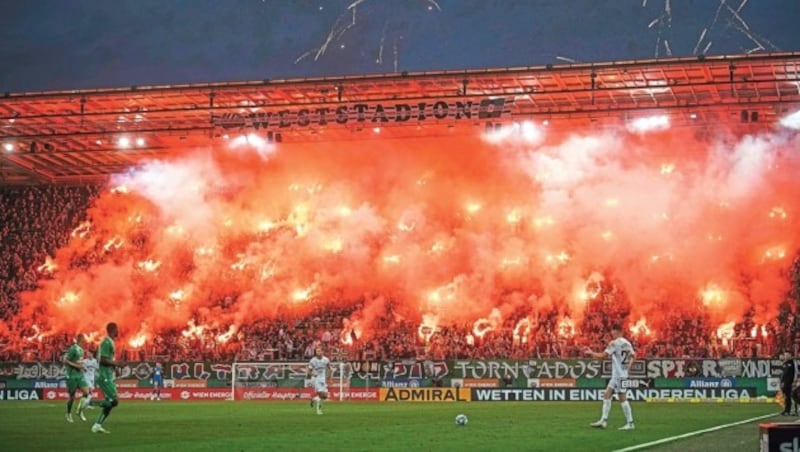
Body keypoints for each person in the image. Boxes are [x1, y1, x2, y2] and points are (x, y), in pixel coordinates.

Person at [584, 324, 635, 430]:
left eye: (614, 332)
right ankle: (603, 420)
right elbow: (634, 356)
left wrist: (591, 353)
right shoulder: (627, 343)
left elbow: (603, 356)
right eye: (612, 332)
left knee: (622, 397)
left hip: (619, 375)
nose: (613, 334)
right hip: (620, 374)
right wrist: (628, 368)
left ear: (619, 332)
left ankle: (630, 423)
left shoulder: (614, 343)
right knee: (607, 394)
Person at [90, 322, 120, 434]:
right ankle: (89, 403)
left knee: (110, 402)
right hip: (104, 375)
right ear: (113, 330)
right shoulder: (106, 342)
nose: (119, 331)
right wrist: (116, 364)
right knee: (114, 401)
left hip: (108, 375)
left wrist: (114, 367)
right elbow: (102, 359)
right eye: (117, 329)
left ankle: (97, 425)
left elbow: (106, 358)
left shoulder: (110, 342)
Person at [64, 333, 92, 423]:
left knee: (87, 392)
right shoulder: (73, 349)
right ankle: (68, 413)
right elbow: (66, 361)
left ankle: (79, 411)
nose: (85, 340)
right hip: (71, 376)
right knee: (72, 397)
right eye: (84, 339)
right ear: (80, 339)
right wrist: (77, 366)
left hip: (79, 375)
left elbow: (79, 362)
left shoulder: (81, 350)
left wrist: (82, 367)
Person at [307, 347, 330, 415]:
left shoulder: (326, 359)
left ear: (322, 352)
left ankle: (313, 399)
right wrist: (313, 374)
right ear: (316, 352)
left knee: (325, 396)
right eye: (317, 351)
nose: (318, 352)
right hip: (316, 379)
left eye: (320, 351)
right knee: (321, 394)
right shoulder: (313, 361)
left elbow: (329, 368)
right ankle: (319, 410)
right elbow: (309, 371)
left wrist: (329, 377)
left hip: (323, 379)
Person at [780, 350, 796, 416]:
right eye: (785, 355)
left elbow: (792, 374)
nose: (786, 356)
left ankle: (788, 410)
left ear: (790, 355)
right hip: (784, 383)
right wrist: (782, 382)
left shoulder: (791, 363)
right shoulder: (785, 363)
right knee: (786, 397)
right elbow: (783, 374)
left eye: (787, 355)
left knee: (789, 397)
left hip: (789, 383)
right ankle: (786, 410)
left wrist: (793, 382)